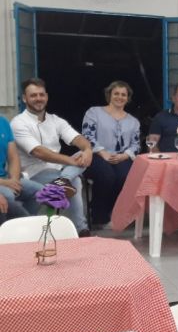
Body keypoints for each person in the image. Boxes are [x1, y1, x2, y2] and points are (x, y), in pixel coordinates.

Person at [11, 78, 92, 235]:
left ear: (47, 96)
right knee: (75, 180)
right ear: (24, 98)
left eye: (41, 94)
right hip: (33, 174)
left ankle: (63, 180)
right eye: (33, 95)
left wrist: (88, 149)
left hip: (59, 170)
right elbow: (38, 152)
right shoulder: (18, 123)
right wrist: (71, 161)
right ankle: (81, 229)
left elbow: (77, 138)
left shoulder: (56, 120)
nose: (38, 98)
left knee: (81, 155)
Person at [81, 81, 140, 227]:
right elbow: (87, 136)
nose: (119, 97)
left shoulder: (133, 121)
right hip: (97, 155)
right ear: (109, 95)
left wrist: (125, 155)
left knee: (125, 177)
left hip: (122, 156)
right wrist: (103, 152)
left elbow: (136, 144)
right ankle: (99, 217)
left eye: (123, 95)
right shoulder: (94, 112)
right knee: (107, 176)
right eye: (116, 94)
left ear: (128, 98)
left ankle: (116, 214)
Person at [0, 116, 42, 224]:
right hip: (2, 182)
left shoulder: (3, 122)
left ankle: (22, 231)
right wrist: (5, 183)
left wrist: (14, 180)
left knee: (40, 191)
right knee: (8, 195)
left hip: (5, 179)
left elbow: (13, 158)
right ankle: (17, 231)